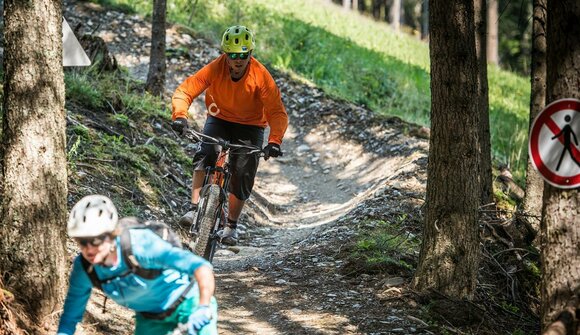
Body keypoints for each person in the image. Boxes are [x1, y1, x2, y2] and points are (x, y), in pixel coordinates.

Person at [171, 25, 288, 245]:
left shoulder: (261, 76)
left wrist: (274, 141)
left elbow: (276, 112)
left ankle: (231, 226)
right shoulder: (215, 69)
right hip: (220, 118)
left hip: (251, 125)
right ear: (225, 54)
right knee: (206, 153)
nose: (237, 59)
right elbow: (185, 90)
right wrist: (180, 116)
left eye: (243, 55)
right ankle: (193, 208)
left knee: (243, 172)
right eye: (232, 54)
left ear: (250, 54)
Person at [56, 195, 218, 335]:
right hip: (149, 319)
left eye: (96, 240)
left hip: (189, 303)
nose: (89, 248)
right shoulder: (84, 268)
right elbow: (70, 316)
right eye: (82, 242)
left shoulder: (140, 245)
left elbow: (201, 267)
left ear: (111, 235)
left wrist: (203, 306)